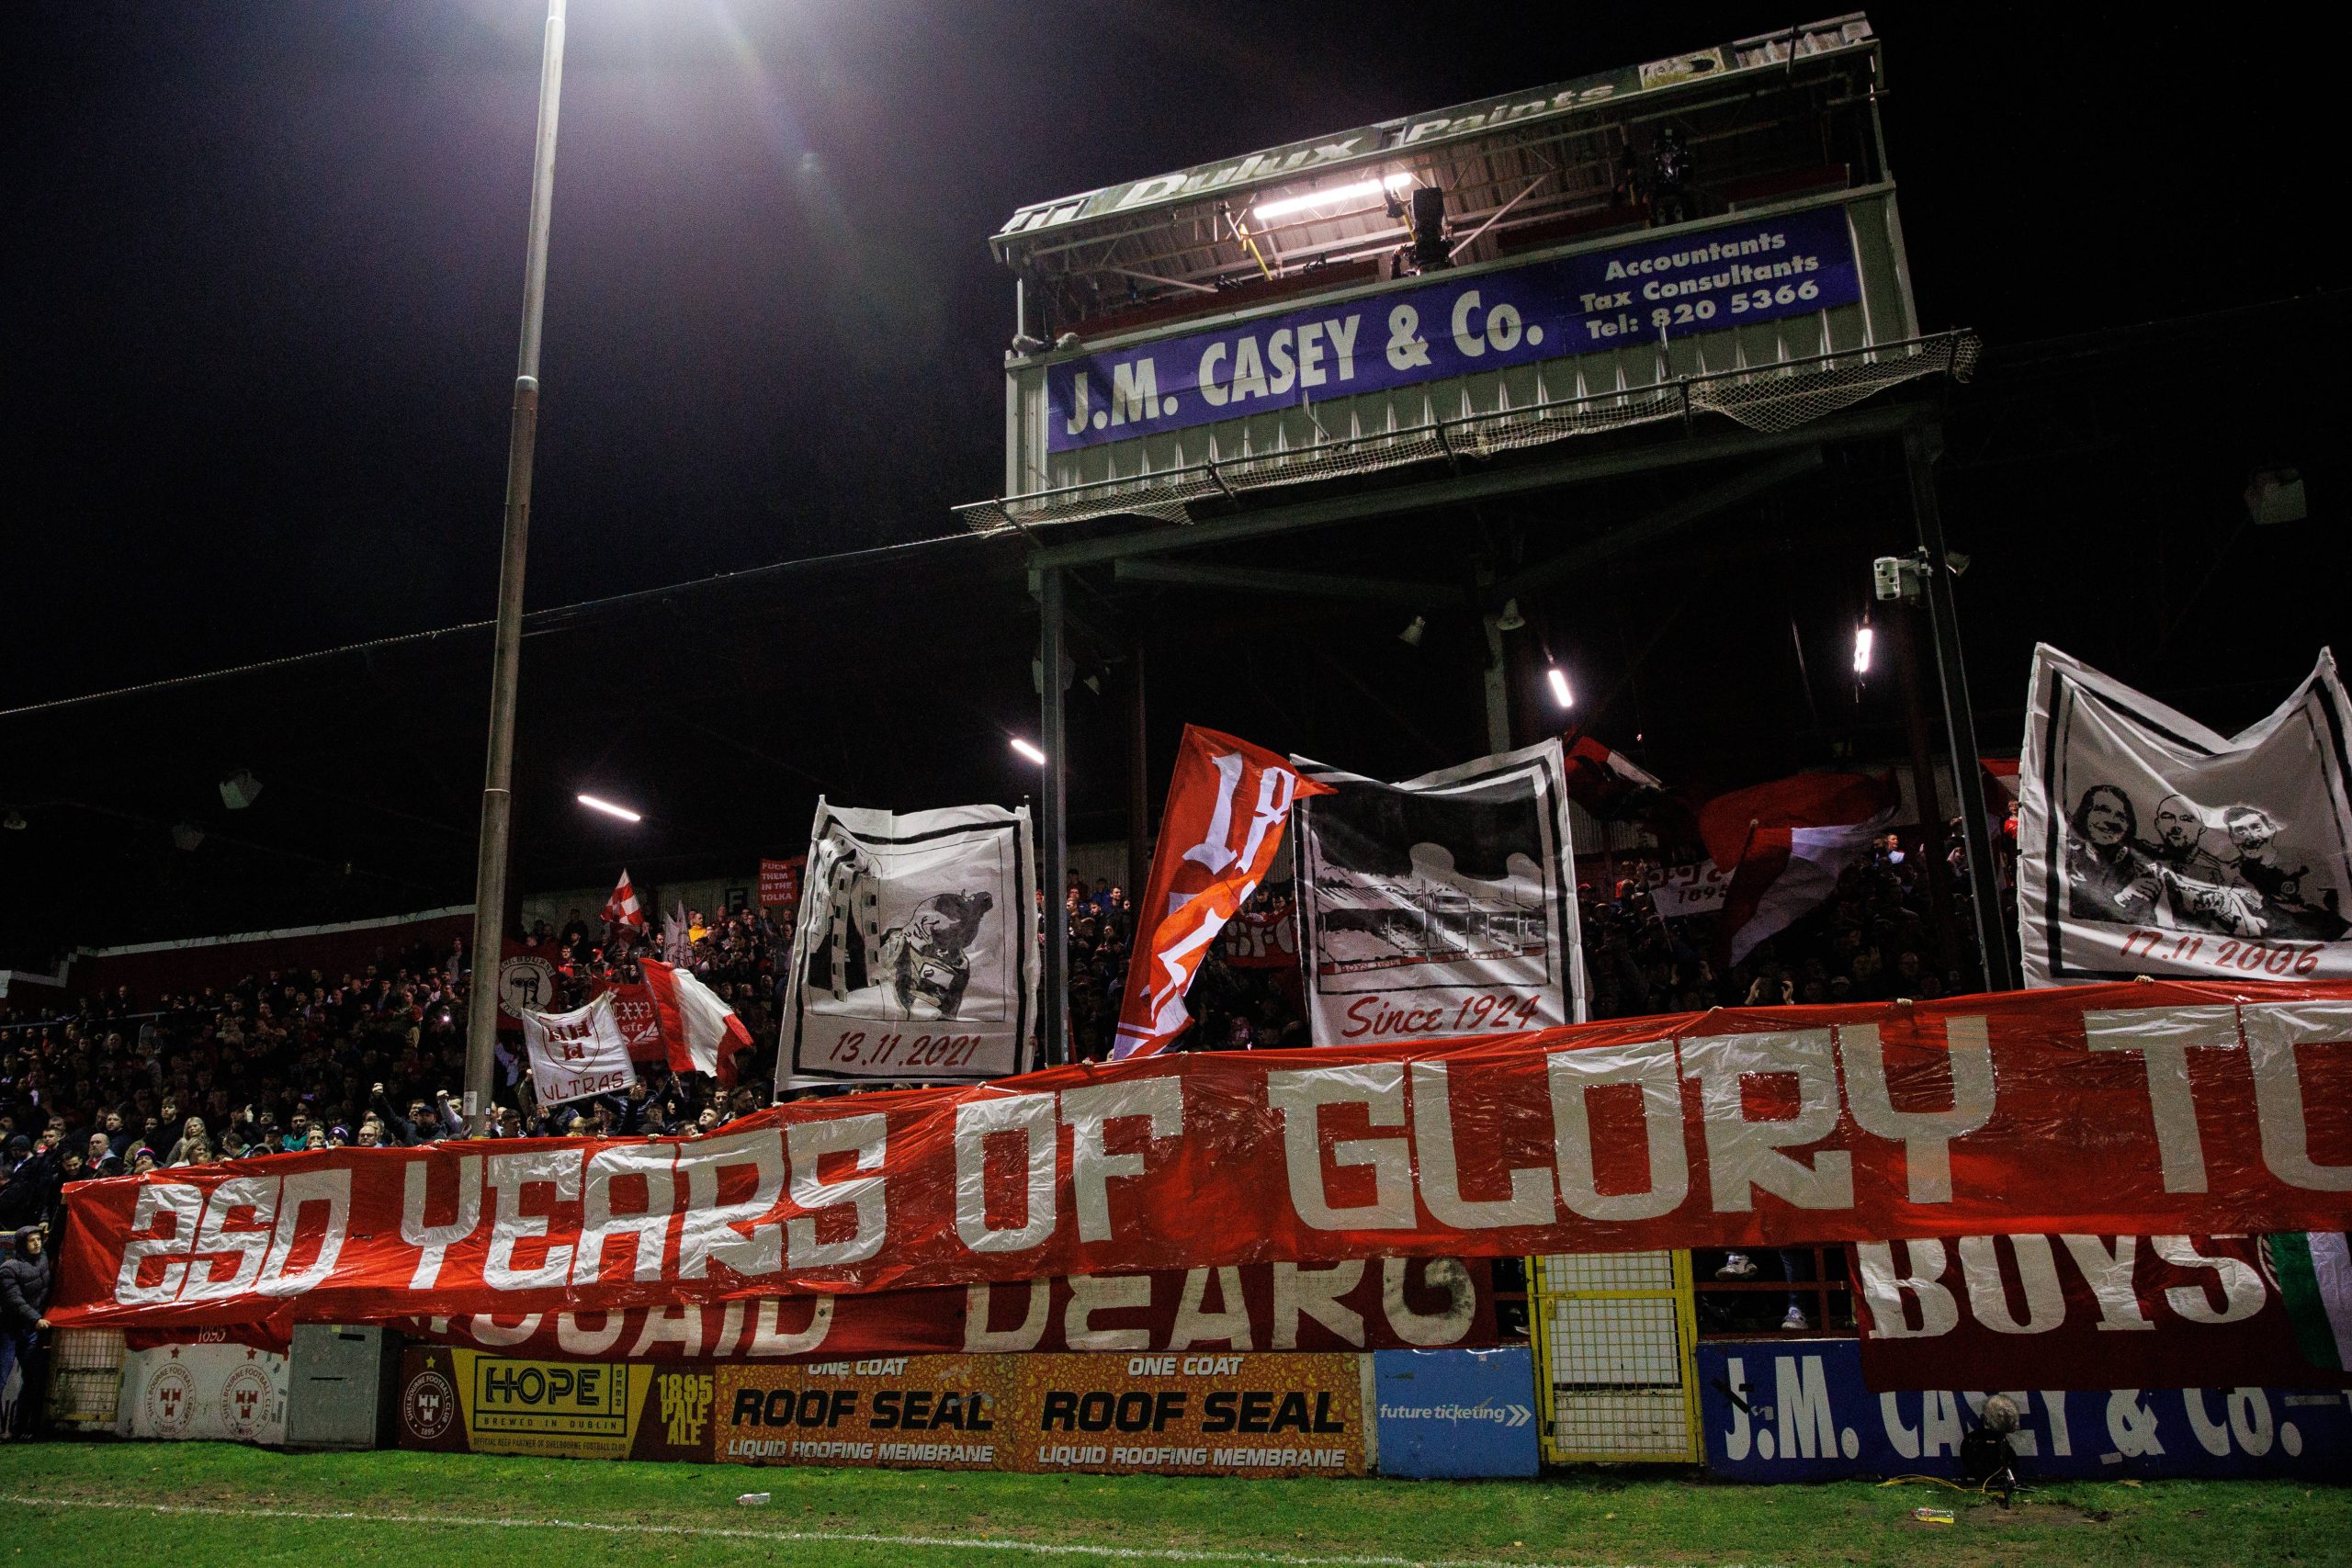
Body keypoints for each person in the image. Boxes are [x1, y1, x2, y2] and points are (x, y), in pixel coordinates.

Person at [2064, 784, 2156, 922]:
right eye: (2102, 810)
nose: (2111, 821)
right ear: (2085, 813)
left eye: (2120, 816)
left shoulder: (2140, 863)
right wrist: (2117, 899)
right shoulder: (2065, 853)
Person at [0, 1225, 52, 1438]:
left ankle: (21, 1429)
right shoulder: (9, 1269)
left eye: (38, 1239)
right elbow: (14, 1300)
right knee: (1, 1376)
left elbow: (57, 1234)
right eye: (32, 1240)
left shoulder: (43, 1259)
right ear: (22, 1244)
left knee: (32, 1378)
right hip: (8, 1329)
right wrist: (36, 1319)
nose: (37, 1243)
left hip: (30, 1329)